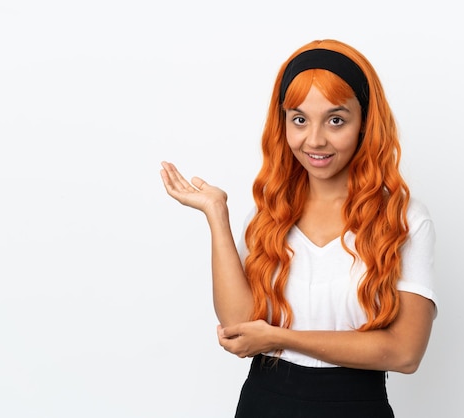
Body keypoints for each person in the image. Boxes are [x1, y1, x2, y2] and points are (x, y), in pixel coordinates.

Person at [160, 39, 437, 418]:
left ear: (364, 123)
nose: (315, 139)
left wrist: (278, 338)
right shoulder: (269, 215)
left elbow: (405, 353)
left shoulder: (404, 220)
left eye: (336, 119)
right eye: (300, 119)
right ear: (284, 123)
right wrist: (216, 215)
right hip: (263, 404)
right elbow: (239, 328)